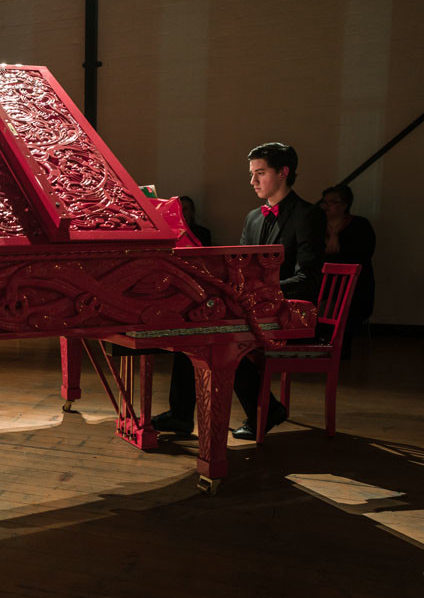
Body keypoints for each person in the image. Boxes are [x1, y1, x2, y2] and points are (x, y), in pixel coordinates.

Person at [153, 142, 326, 440]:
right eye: (251, 174)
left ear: (283, 173)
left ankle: (266, 410)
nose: (252, 181)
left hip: (289, 309)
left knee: (221, 340)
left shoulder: (308, 215)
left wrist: (259, 293)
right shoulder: (253, 217)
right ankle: (182, 415)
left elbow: (308, 279)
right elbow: (242, 271)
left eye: (260, 173)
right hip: (255, 307)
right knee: (191, 328)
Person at [319, 184, 375, 358]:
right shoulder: (317, 225)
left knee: (348, 303)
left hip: (353, 284)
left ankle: (341, 346)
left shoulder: (360, 225)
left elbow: (363, 253)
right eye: (325, 202)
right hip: (324, 282)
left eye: (333, 202)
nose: (327, 206)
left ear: (345, 205)